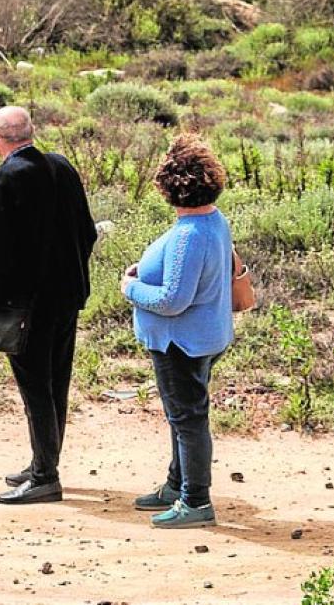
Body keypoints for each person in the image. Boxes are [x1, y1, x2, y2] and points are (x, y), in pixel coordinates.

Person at [0, 104, 97, 506]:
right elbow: (87, 232)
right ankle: (44, 462)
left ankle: (45, 475)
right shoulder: (62, 167)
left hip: (25, 305)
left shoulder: (7, 177)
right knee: (55, 381)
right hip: (66, 297)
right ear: (31, 132)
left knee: (35, 388)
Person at [121, 137, 234, 529]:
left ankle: (196, 501)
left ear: (172, 185)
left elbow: (172, 300)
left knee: (187, 419)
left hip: (180, 342)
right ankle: (177, 485)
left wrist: (130, 287)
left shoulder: (189, 234)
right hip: (202, 337)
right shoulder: (214, 221)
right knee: (183, 417)